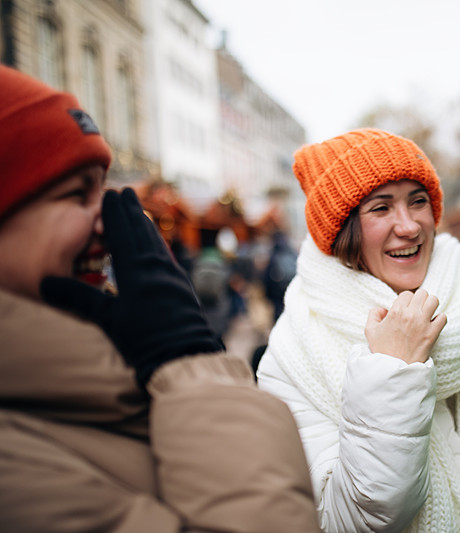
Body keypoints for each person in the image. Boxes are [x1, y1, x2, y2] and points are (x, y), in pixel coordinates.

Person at [0, 65, 320, 532]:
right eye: (76, 194)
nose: (108, 222)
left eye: (103, 189)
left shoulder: (93, 382)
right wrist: (190, 361)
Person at [256, 128, 460, 532]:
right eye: (381, 208)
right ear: (340, 230)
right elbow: (346, 519)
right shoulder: (295, 349)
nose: (410, 226)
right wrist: (391, 369)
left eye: (418, 201)